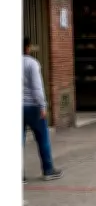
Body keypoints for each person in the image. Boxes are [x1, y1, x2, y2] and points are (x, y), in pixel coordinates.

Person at [23, 37, 63, 183]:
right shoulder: (32, 63)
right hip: (33, 107)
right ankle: (48, 170)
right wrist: (43, 106)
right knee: (42, 138)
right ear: (27, 47)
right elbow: (37, 88)